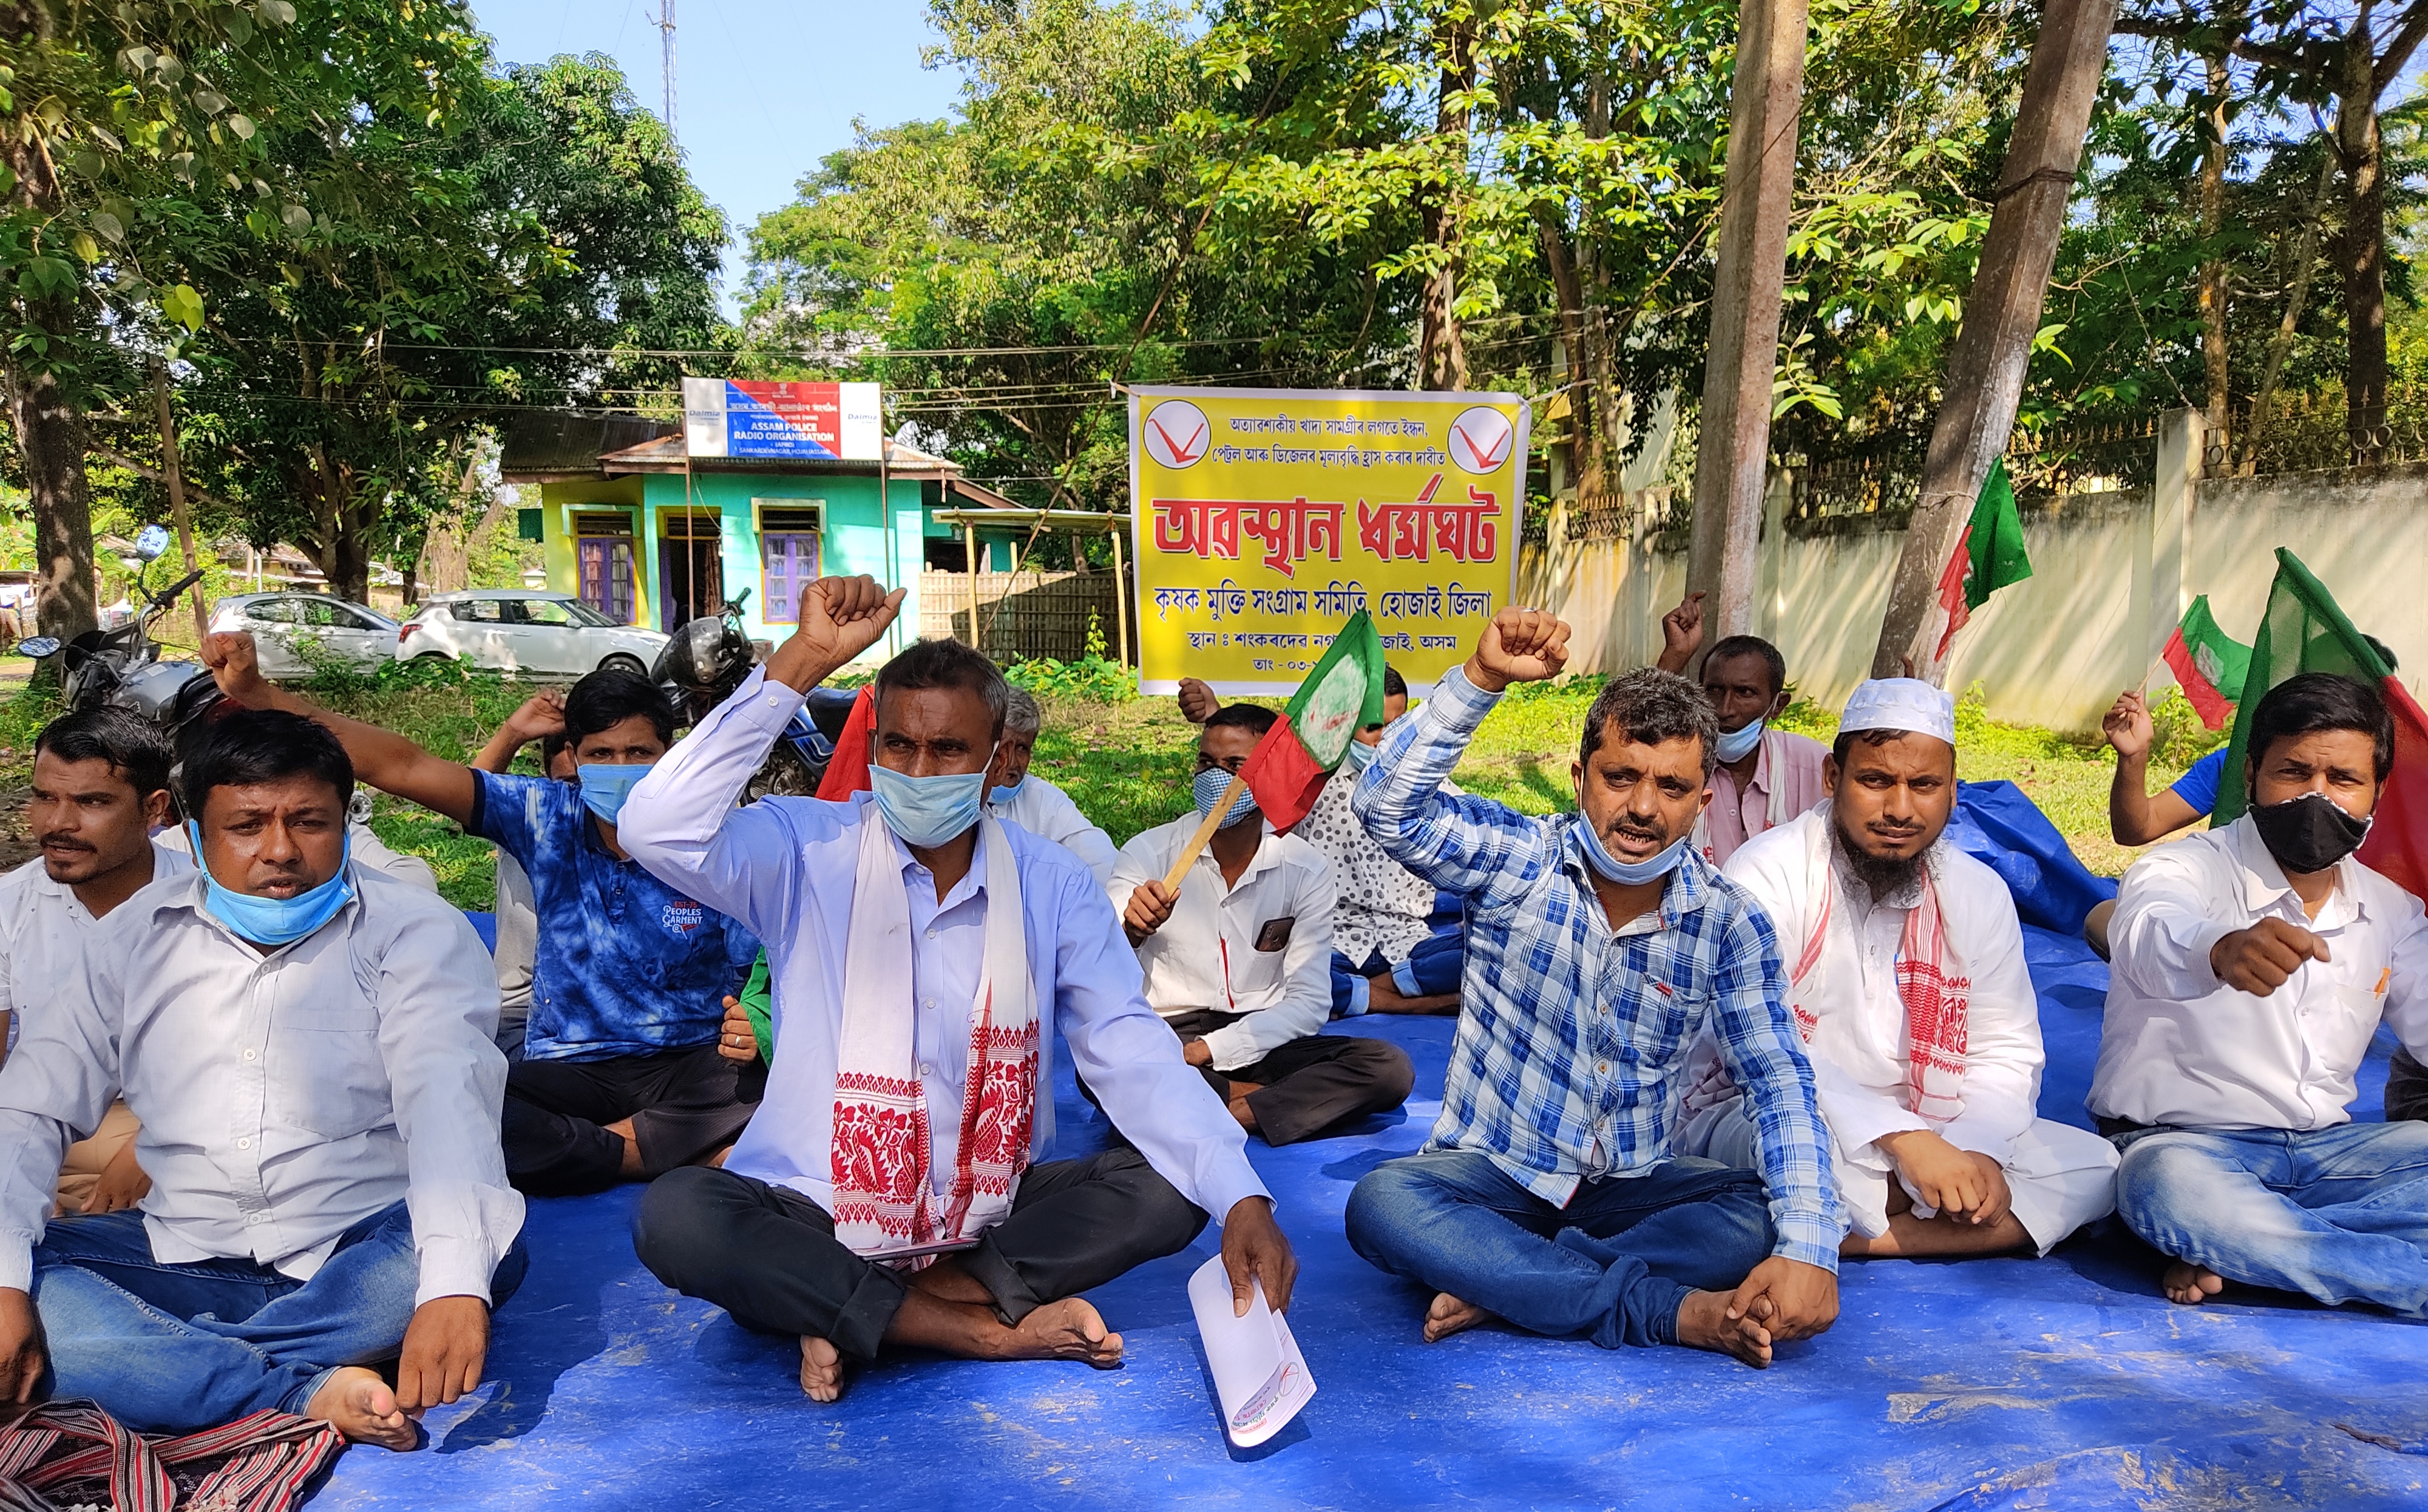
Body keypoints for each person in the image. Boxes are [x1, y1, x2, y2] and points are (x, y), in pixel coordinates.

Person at [616, 577, 1297, 1405]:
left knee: (1172, 1185)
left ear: (999, 756)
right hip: (817, 1203)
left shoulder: (1049, 882)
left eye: (948, 751)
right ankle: (975, 1328)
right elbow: (655, 827)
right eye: (898, 745)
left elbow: (1129, 1048)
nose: (918, 769)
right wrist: (803, 660)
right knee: (678, 1211)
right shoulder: (805, 849)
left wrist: (1242, 1194)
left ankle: (850, 1305)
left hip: (988, 1206)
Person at [0, 708, 523, 1445]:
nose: (279, 850)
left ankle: (161, 1362)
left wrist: (453, 1288)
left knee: (476, 1249)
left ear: (344, 820)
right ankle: (300, 1388)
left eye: (308, 822)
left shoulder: (413, 930)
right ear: (190, 835)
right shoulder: (130, 940)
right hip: (179, 1251)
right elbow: (29, 1108)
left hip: (362, 1250)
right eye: (247, 826)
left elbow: (447, 1102)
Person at [1343, 609, 1842, 1368]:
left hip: (1624, 1190)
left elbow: (1777, 1080)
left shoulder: (1727, 920)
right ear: (1581, 778)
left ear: (1702, 804)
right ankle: (1657, 1308)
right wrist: (1479, 681)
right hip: (1491, 1178)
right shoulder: (1520, 860)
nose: (1642, 808)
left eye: (1671, 787)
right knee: (1383, 1204)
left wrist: (1812, 1247)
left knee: (1753, 1208)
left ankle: (1509, 1279)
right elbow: (1386, 807)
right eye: (1621, 777)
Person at [198, 637, 762, 1195]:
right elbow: (403, 764)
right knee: (467, 1096)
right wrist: (261, 693)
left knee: (763, 1080)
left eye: (639, 753)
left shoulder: (708, 834)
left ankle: (596, 1150)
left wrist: (753, 1028)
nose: (621, 768)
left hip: (690, 1061)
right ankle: (642, 1152)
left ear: (670, 754)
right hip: (571, 1067)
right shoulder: (545, 814)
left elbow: (759, 970)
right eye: (601, 755)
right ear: (575, 757)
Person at [1680, 679, 2118, 1258]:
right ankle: (1921, 1227)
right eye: (1876, 780)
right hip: (1778, 1106)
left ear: (1953, 792)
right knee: (1794, 1151)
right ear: (1833, 778)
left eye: (1925, 785)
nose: (1900, 809)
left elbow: (2004, 1051)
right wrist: (1904, 1142)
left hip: (1933, 1120)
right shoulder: (1771, 870)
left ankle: (1850, 1236)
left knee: (2100, 1166)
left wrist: (1977, 1152)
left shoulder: (1977, 891)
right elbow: (1760, 1041)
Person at [2092, 672, 2428, 1314]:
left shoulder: (2390, 910)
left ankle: (2248, 1254)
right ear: (2250, 773)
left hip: (2332, 1157)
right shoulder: (2183, 869)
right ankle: (2365, 1266)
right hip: (2184, 1146)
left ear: (2376, 793)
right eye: (2294, 773)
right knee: (2163, 1189)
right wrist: (2218, 950)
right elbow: (2144, 932)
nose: (2316, 798)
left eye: (2343, 781)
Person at [1110, 705, 1416, 1144]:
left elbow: (1309, 1003)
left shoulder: (1303, 868)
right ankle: (1270, 1103)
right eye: (1206, 763)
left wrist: (1212, 1051)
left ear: (1269, 776)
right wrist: (1132, 932)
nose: (1214, 778)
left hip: (1262, 1036)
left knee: (1389, 1069)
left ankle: (1220, 1109)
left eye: (1235, 766)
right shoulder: (1149, 855)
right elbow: (1100, 968)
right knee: (1106, 1070)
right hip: (1169, 1036)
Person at [0, 710, 188, 1218]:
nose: (58, 823)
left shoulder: (205, 902)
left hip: (178, 1122)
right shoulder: (9, 906)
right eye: (44, 797)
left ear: (154, 808)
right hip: (40, 1118)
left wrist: (147, 1148)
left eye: (92, 802)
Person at [1295, 666, 1465, 1017]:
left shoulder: (1432, 788)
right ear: (1343, 725)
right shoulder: (1310, 789)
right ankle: (1413, 1003)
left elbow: (1478, 846)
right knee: (1286, 974)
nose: (1385, 739)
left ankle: (1371, 993)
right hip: (1335, 941)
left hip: (1410, 944)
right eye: (1373, 727)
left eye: (1396, 725)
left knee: (1477, 954)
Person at [1652, 590, 1829, 865]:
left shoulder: (1813, 768)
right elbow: (1635, 739)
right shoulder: (1679, 761)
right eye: (1714, 690)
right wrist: (1676, 655)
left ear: (1778, 706)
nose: (1725, 709)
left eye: (1745, 693)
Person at [467, 690, 581, 1059]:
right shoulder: (531, 819)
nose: (578, 801)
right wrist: (513, 733)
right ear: (544, 779)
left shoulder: (646, 834)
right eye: (566, 786)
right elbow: (466, 789)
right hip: (522, 1013)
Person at [986, 688, 1118, 887]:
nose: (1011, 762)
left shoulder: (1044, 802)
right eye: (1002, 747)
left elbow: (1104, 864)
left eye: (1022, 748)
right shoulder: (949, 797)